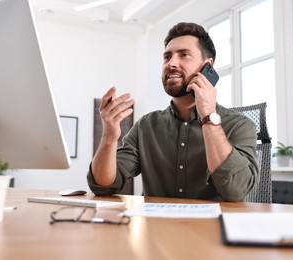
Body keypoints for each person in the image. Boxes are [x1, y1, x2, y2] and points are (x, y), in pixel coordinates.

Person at [87, 22, 258, 201]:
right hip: (155, 227)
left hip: (212, 228)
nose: (172, 63)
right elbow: (103, 186)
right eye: (167, 57)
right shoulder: (146, 126)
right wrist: (109, 136)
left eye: (184, 55)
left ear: (208, 66)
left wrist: (208, 114)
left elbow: (236, 191)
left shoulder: (240, 125)